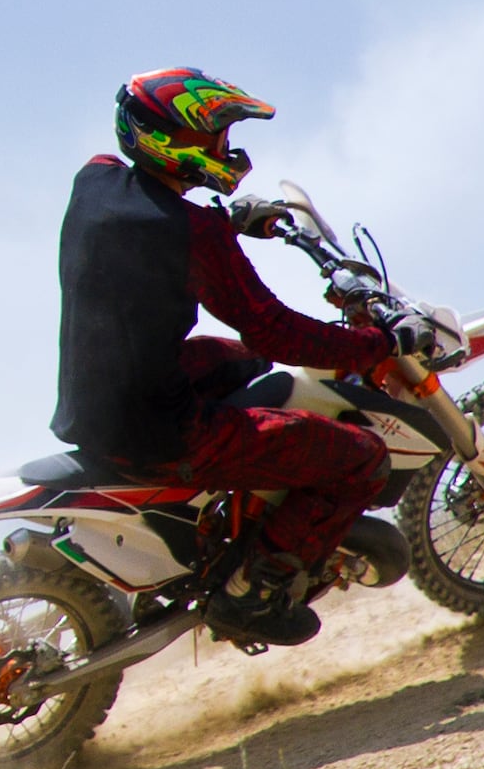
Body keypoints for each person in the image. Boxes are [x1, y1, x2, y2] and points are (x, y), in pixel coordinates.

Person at [55, 69, 395, 646]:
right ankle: (248, 596)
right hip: (160, 436)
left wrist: (230, 220)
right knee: (359, 459)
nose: (227, 148)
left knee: (239, 363)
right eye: (214, 138)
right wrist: (375, 344)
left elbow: (152, 231)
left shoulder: (97, 178)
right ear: (174, 143)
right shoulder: (190, 234)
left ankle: (219, 523)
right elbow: (274, 331)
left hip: (97, 403)